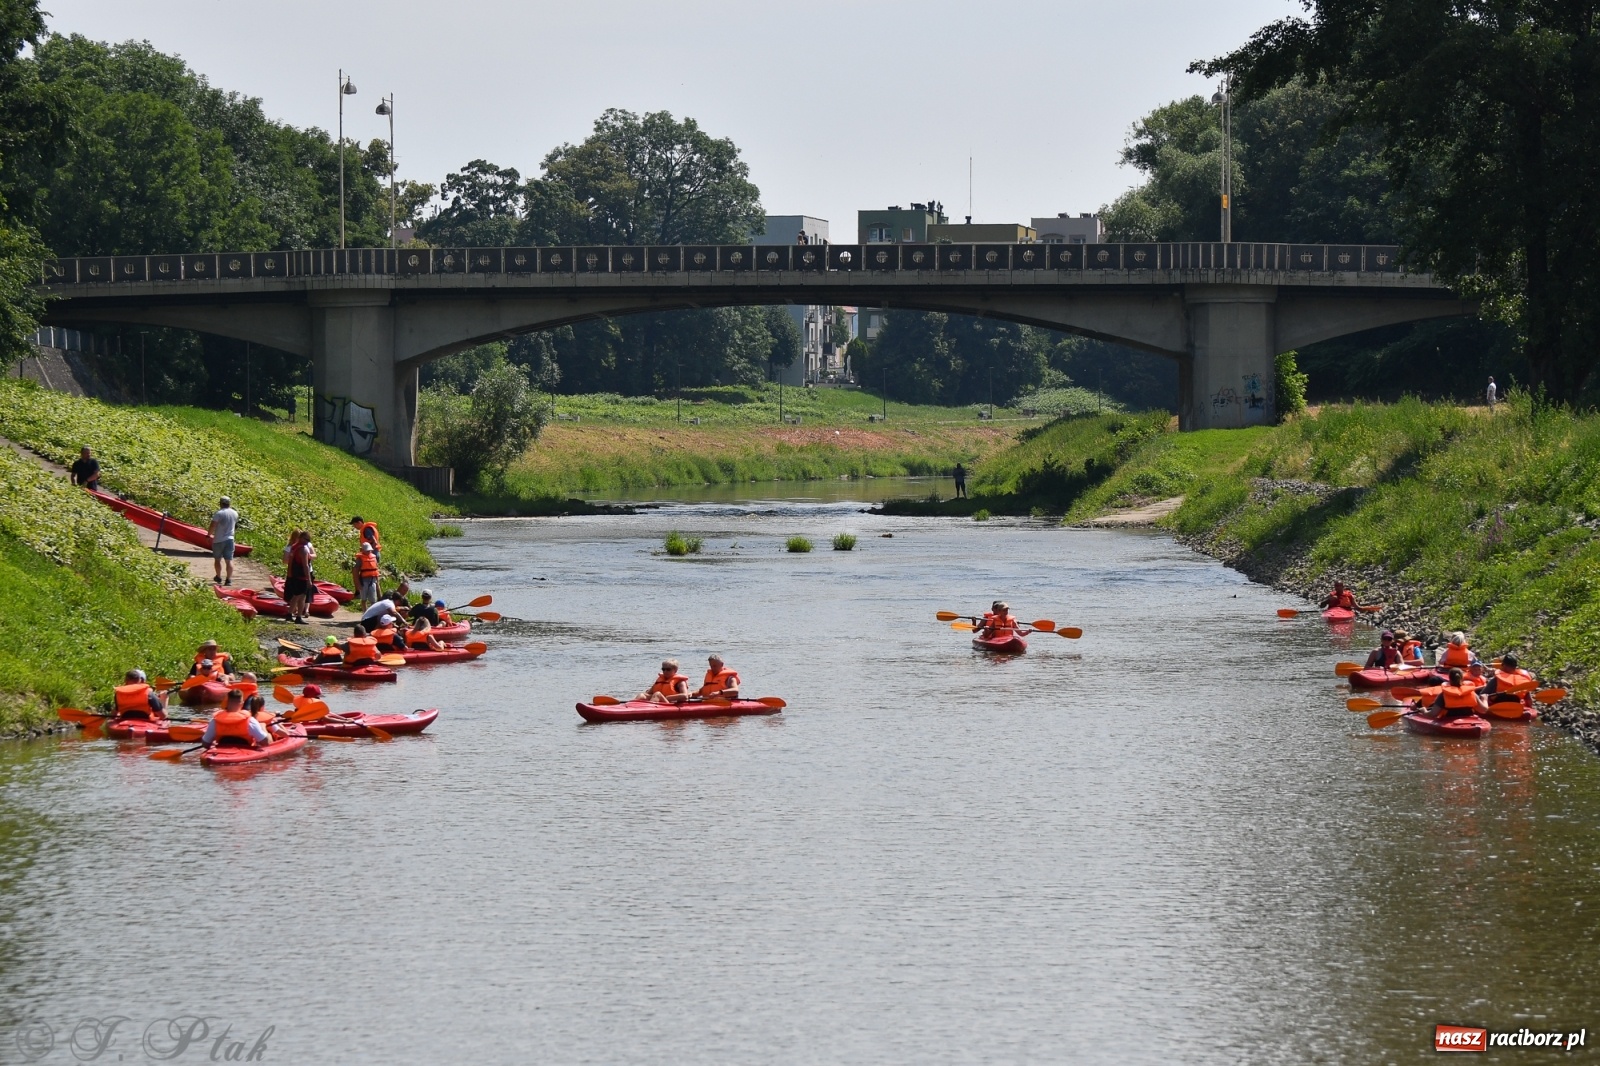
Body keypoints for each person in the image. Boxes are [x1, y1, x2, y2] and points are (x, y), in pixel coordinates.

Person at [202, 689, 271, 748]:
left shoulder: (215, 721)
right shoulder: (250, 721)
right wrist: (263, 727)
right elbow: (265, 743)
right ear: (242, 703)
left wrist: (213, 744)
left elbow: (205, 744)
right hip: (245, 753)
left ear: (226, 703)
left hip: (222, 752)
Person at [284, 530, 314, 624]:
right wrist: (309, 580)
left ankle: (289, 614)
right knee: (301, 597)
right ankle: (299, 617)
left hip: (293, 575)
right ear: (301, 538)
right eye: (306, 539)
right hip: (301, 576)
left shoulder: (293, 547)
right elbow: (305, 566)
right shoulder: (303, 549)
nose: (308, 542)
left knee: (296, 596)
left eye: (309, 540)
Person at [208, 496, 239, 585]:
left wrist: (208, 535)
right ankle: (228, 579)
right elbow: (235, 526)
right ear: (229, 503)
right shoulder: (235, 513)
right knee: (229, 560)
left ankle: (218, 577)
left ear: (221, 503)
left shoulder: (219, 513)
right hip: (230, 539)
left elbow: (213, 525)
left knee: (217, 559)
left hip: (219, 539)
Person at [354, 543, 381, 609]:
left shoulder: (374, 557)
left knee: (373, 599)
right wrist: (358, 584)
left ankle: (372, 614)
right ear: (362, 550)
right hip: (363, 581)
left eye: (369, 550)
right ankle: (365, 613)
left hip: (373, 580)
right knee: (364, 599)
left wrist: (377, 582)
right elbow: (355, 572)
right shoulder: (359, 559)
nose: (368, 552)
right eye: (367, 550)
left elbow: (376, 570)